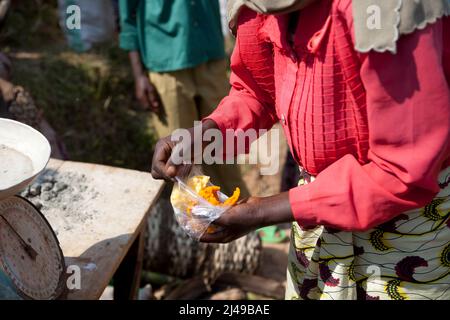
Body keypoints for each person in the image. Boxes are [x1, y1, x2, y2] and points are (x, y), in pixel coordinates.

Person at [151, 0, 450, 300]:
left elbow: (402, 171)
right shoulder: (259, 6)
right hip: (317, 213)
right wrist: (206, 133)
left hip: (410, 227)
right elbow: (257, 90)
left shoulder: (385, 10)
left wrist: (262, 211)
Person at [118, 0, 248, 196]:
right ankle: (198, 223)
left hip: (210, 53)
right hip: (166, 64)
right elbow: (127, 16)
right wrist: (139, 75)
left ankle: (241, 218)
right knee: (180, 162)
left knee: (222, 151)